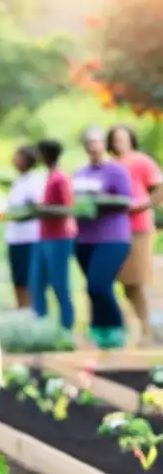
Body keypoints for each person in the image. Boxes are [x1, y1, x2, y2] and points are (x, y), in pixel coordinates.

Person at [72, 126, 133, 349]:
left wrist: (98, 200)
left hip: (113, 237)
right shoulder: (80, 173)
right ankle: (99, 332)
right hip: (84, 239)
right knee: (92, 287)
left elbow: (127, 202)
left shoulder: (115, 171)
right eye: (89, 142)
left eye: (97, 142)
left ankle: (117, 330)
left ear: (104, 145)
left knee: (99, 284)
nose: (93, 146)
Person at [107, 123, 163, 346]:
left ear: (131, 139)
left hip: (138, 228)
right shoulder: (112, 164)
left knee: (137, 281)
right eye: (115, 139)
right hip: (115, 230)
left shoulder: (141, 161)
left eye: (123, 138)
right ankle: (141, 328)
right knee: (125, 283)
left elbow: (159, 187)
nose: (119, 143)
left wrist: (144, 205)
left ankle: (148, 331)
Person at [29, 139, 76, 334]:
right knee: (36, 282)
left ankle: (66, 328)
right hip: (44, 236)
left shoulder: (60, 178)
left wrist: (42, 209)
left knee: (59, 284)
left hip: (59, 237)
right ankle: (41, 326)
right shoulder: (49, 176)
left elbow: (67, 208)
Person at [2, 145, 45, 309]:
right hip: (15, 237)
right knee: (18, 276)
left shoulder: (35, 180)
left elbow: (38, 206)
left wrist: (20, 215)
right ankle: (21, 307)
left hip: (29, 237)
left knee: (28, 276)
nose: (15, 161)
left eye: (18, 157)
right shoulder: (18, 181)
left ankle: (30, 307)